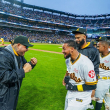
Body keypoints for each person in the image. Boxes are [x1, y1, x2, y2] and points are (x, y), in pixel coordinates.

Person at [0, 35, 37, 110]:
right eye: (26, 47)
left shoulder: (19, 54)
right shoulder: (3, 56)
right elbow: (4, 77)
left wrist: (32, 64)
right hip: (3, 95)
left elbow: (25, 66)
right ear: (18, 45)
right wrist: (23, 71)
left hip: (13, 92)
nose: (27, 49)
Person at [62, 40, 97, 110]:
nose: (62, 51)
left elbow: (92, 85)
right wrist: (65, 77)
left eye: (64, 49)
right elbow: (68, 70)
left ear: (72, 49)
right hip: (70, 92)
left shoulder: (86, 63)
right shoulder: (68, 60)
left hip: (81, 96)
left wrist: (74, 87)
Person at [72, 28, 100, 109]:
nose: (76, 40)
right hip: (75, 81)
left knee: (81, 105)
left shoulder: (93, 50)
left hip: (86, 83)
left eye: (78, 38)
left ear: (84, 37)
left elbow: (95, 69)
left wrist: (94, 87)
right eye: (75, 38)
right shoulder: (76, 49)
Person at [95, 41, 110, 110]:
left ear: (104, 47)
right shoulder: (98, 54)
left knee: (98, 99)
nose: (97, 48)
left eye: (98, 46)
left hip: (103, 80)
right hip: (96, 79)